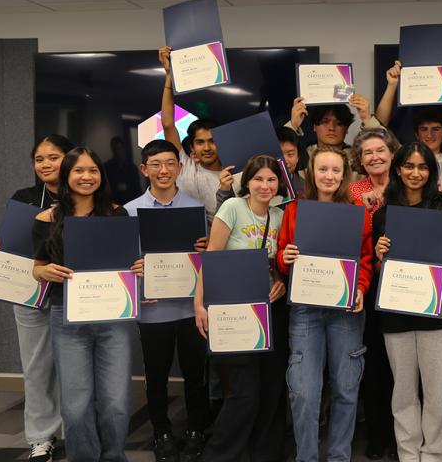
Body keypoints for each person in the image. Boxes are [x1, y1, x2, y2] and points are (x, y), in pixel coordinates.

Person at [31, 147, 141, 462]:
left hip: (113, 317)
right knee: (76, 406)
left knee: (116, 403)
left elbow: (127, 262)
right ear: (66, 175)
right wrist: (44, 271)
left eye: (93, 170)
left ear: (100, 175)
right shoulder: (47, 218)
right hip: (67, 318)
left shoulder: (116, 214)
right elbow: (36, 267)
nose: (86, 176)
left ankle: (113, 457)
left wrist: (137, 268)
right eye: (78, 170)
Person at [276, 146, 374, 462]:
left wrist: (359, 287)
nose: (329, 176)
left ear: (345, 175)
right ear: (311, 173)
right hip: (305, 308)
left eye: (335, 170)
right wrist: (284, 258)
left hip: (345, 309)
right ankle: (306, 457)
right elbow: (281, 255)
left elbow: (366, 259)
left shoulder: (357, 210)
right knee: (304, 392)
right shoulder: (295, 210)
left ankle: (339, 457)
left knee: (346, 388)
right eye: (322, 169)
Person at [0, 134, 73, 462]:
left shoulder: (85, 194)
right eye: (39, 159)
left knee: (76, 366)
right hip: (28, 290)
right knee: (36, 367)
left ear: (70, 157)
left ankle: (78, 430)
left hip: (73, 291)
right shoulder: (25, 197)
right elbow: (10, 240)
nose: (45, 164)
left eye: (53, 157)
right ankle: (41, 437)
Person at [192, 155, 290, 462]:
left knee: (272, 389)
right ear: (246, 182)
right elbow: (212, 258)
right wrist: (199, 303)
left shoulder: (280, 214)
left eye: (271, 180)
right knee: (244, 393)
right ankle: (221, 455)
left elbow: (279, 263)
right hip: (234, 310)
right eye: (258, 179)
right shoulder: (232, 208)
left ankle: (265, 454)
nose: (265, 185)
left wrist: (281, 281)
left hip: (271, 311)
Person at [373, 142, 442, 462]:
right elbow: (380, 271)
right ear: (398, 169)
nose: (415, 173)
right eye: (409, 166)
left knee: (436, 392)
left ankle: (435, 454)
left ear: (431, 172)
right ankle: (408, 453)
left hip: (437, 314)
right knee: (403, 392)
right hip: (396, 312)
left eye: (422, 167)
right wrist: (379, 256)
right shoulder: (382, 216)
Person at [123, 139, 210, 462]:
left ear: (180, 167)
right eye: (156, 164)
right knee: (156, 376)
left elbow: (207, 260)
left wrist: (204, 253)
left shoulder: (194, 208)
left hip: (190, 308)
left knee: (194, 374)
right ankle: (160, 431)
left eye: (170, 163)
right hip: (152, 309)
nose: (164, 170)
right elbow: (121, 263)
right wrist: (136, 267)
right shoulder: (129, 212)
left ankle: (195, 430)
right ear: (144, 169)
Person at [348, 128, 399, 458]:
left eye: (380, 150)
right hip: (366, 282)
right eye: (367, 152)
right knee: (375, 360)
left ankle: (401, 435)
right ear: (359, 159)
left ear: (392, 153)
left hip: (403, 284)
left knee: (401, 364)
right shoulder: (352, 190)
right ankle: (378, 434)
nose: (375, 157)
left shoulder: (405, 185)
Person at [375, 60, 442, 209]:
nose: (430, 134)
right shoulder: (405, 156)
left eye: (435, 129)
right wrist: (392, 85)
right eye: (424, 129)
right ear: (417, 134)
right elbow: (379, 128)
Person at [159, 46, 224, 223]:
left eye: (212, 141)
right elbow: (167, 124)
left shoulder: (233, 176)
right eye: (200, 142)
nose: (207, 148)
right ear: (192, 146)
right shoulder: (184, 167)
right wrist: (169, 78)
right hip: (186, 240)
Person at [284, 91, 385, 179]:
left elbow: (387, 153)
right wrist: (293, 125)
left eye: (339, 123)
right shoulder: (302, 157)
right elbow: (273, 163)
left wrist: (367, 118)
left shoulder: (359, 158)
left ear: (347, 129)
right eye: (325, 121)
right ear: (314, 126)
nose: (331, 128)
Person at [105, 136, 143, 204]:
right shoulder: (107, 166)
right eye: (115, 149)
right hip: (114, 202)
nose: (117, 152)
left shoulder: (132, 167)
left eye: (119, 148)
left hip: (130, 200)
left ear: (124, 149)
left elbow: (137, 188)